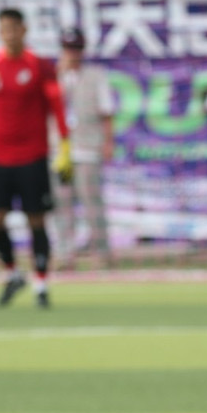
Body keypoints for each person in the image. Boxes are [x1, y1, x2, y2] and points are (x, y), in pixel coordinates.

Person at [0, 8, 72, 308]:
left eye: (13, 28)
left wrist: (64, 146)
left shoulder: (39, 66)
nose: (8, 34)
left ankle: (41, 284)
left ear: (23, 30)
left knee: (37, 220)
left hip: (33, 156)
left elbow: (57, 107)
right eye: (3, 29)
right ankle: (12, 273)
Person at [52, 27, 117, 267]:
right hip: (59, 150)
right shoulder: (53, 77)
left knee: (92, 204)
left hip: (88, 147)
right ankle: (65, 254)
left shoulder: (95, 76)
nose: (72, 53)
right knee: (61, 205)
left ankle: (101, 252)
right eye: (68, 48)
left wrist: (108, 142)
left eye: (76, 48)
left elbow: (107, 112)